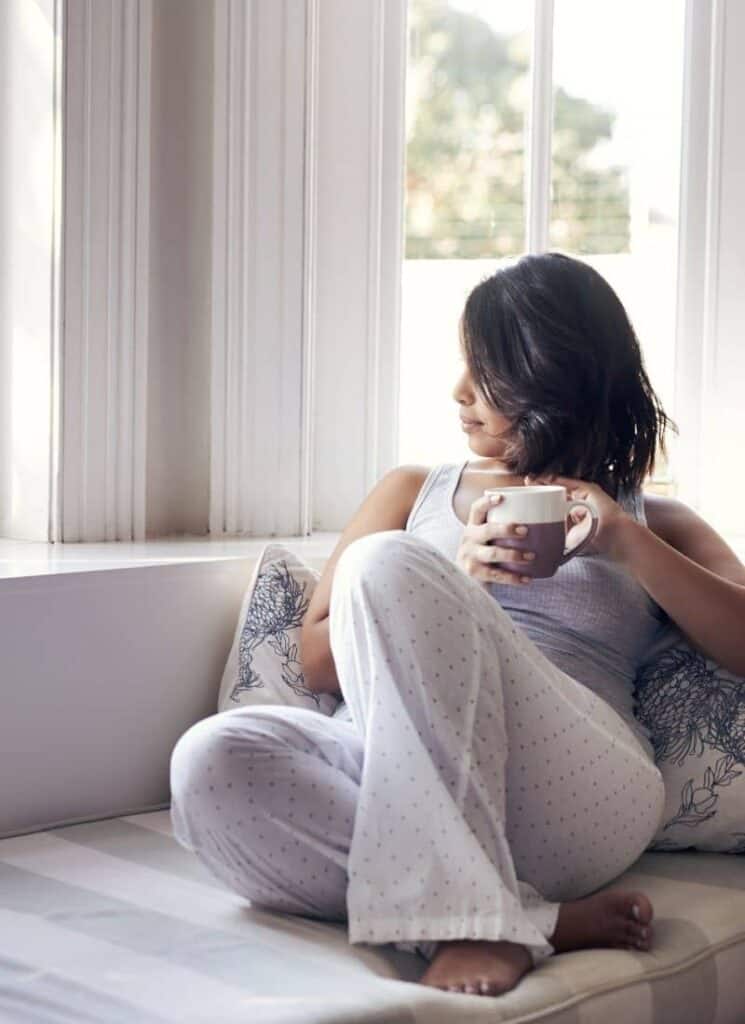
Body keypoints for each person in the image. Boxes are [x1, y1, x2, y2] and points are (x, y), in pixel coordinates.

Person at [169, 252, 745, 999]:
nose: (459, 391)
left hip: (569, 792)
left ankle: (477, 920)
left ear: (548, 377)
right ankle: (520, 918)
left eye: (484, 371)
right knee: (211, 760)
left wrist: (627, 544)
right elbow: (314, 664)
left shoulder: (652, 519)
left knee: (387, 564)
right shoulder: (413, 491)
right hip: (393, 779)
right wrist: (454, 586)